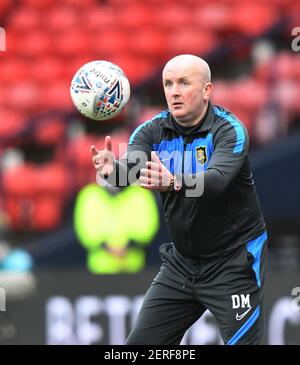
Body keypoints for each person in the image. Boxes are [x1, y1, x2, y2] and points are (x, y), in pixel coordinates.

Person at [90, 54, 267, 345]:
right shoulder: (150, 131)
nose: (174, 91)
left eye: (184, 83)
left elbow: (216, 182)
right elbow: (128, 172)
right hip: (182, 264)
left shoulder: (229, 130)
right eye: (168, 84)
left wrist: (172, 182)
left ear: (207, 90)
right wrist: (112, 172)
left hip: (233, 262)